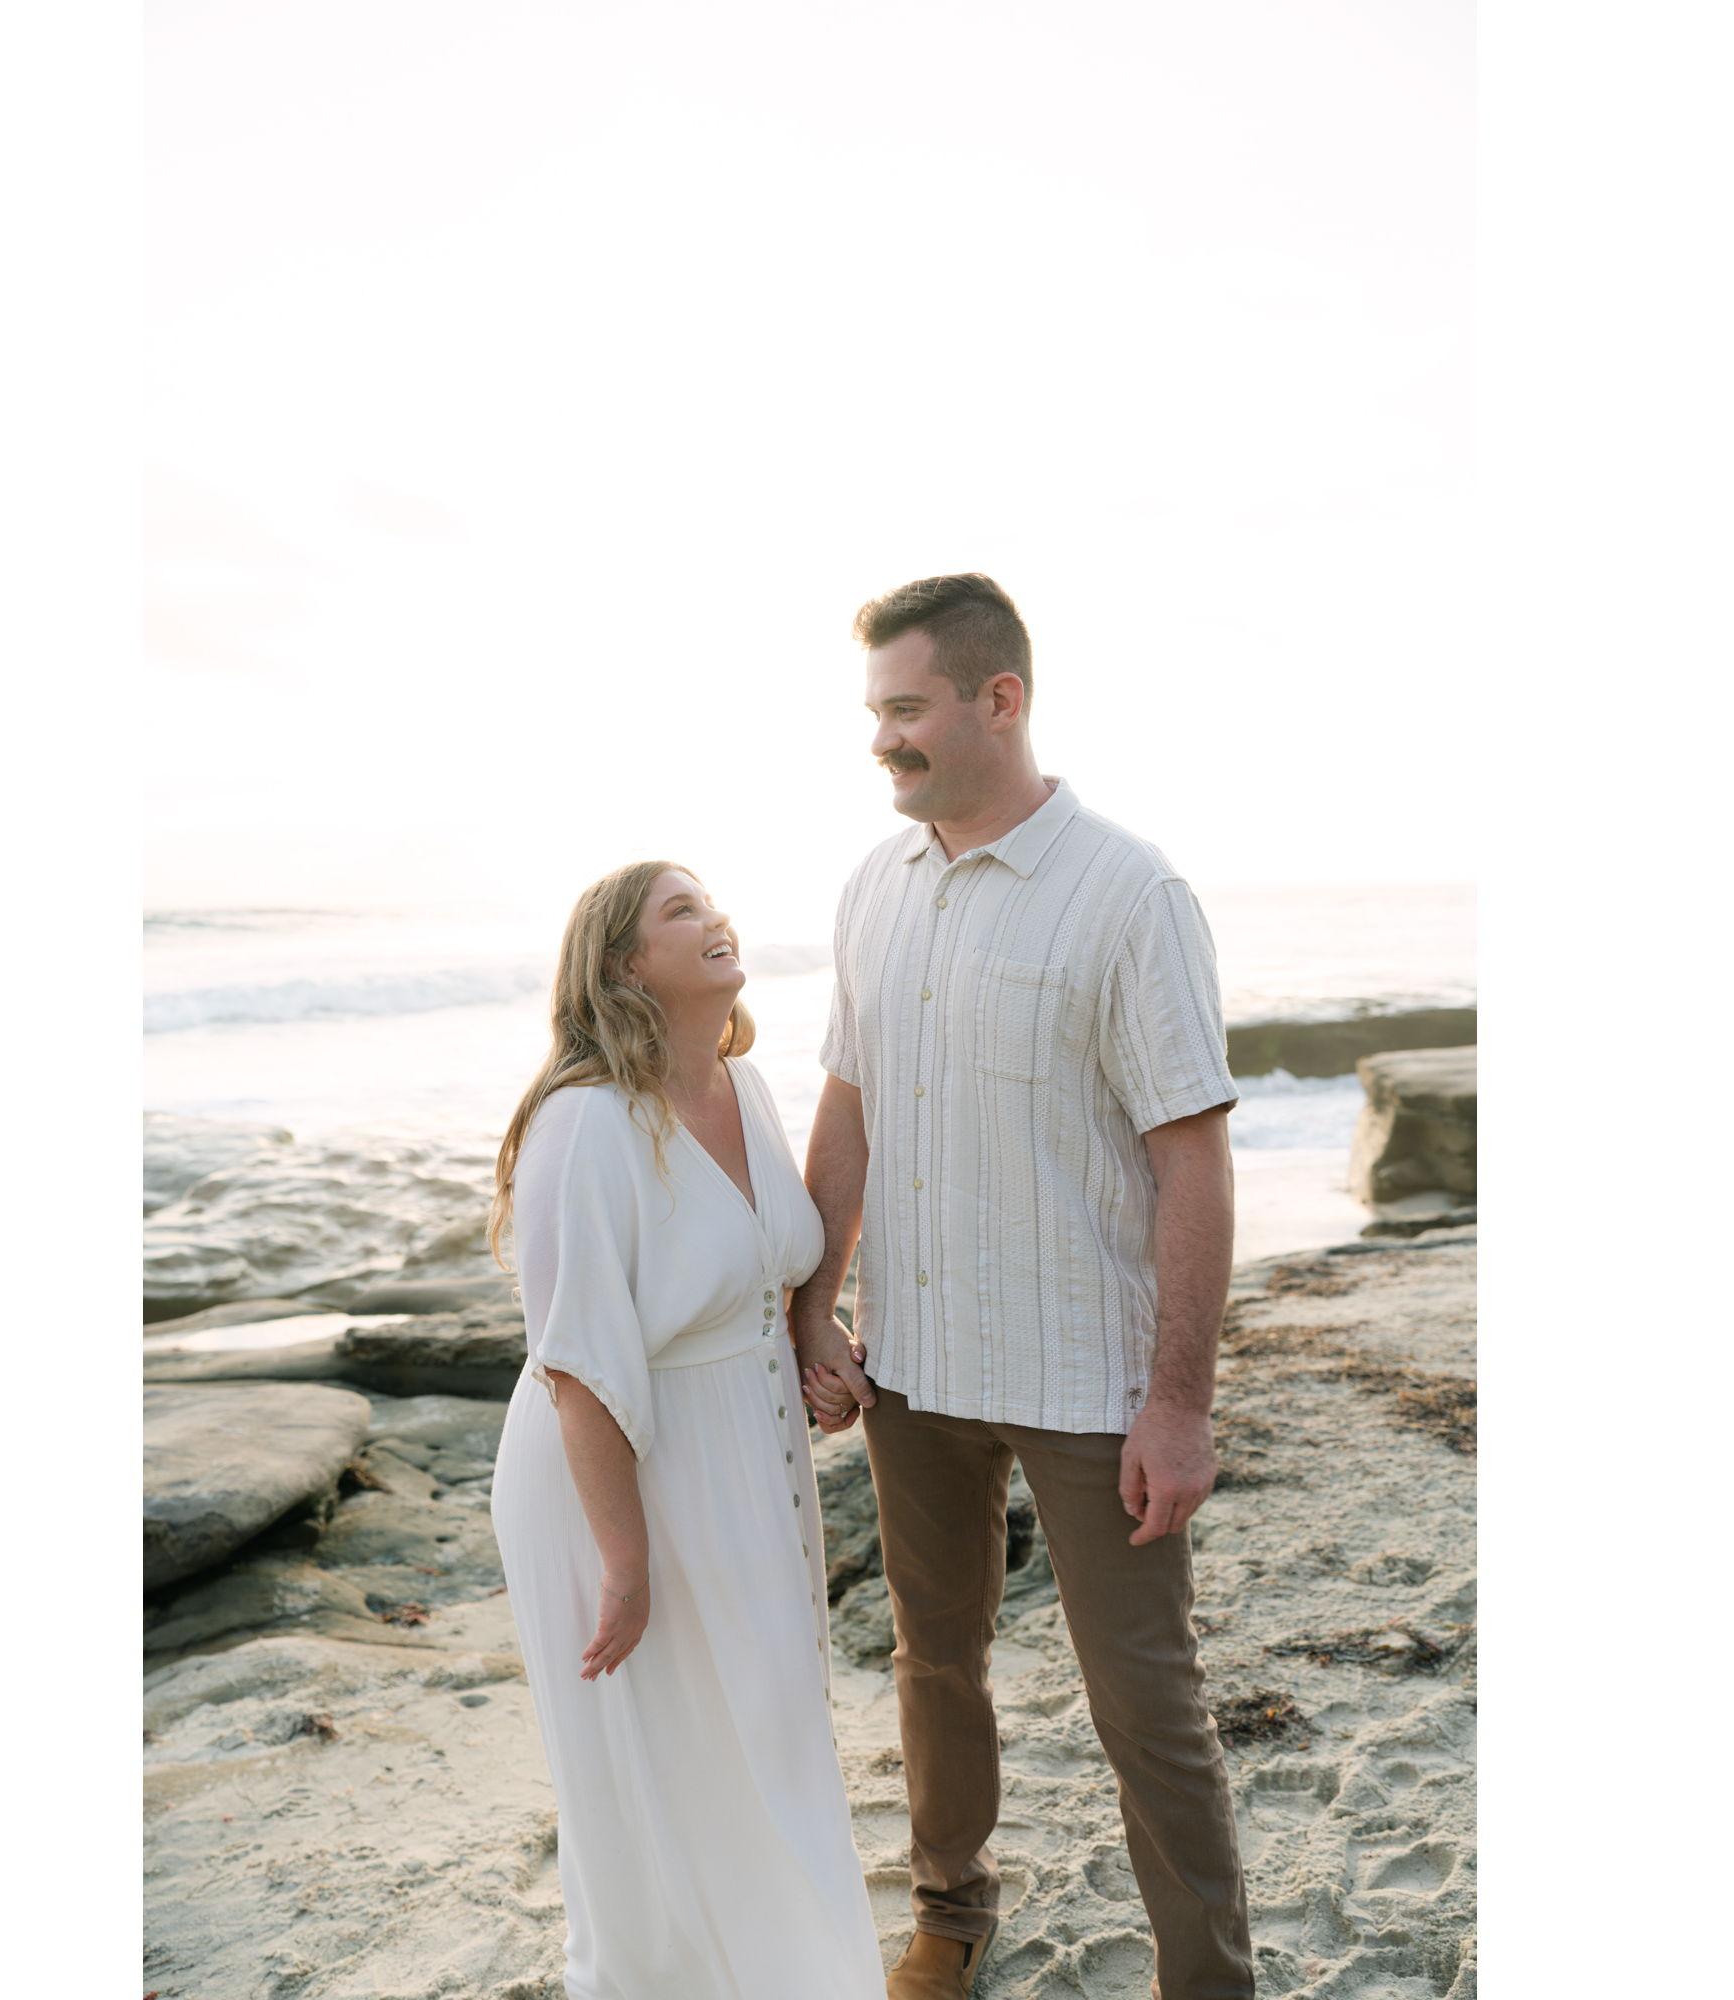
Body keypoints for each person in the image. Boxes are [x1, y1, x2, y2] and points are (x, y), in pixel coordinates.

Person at [793, 574, 1257, 2000]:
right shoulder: (877, 885)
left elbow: (1193, 1161)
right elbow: (849, 1111)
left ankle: (1209, 1981)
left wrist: (1178, 1405)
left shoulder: (1130, 893)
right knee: (934, 1664)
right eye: (874, 712)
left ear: (1002, 700)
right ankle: (951, 1912)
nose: (883, 740)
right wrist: (813, 1308)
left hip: (1086, 1383)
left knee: (1148, 1708)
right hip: (915, 1369)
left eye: (908, 708)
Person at [489, 860, 884, 2000]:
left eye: (710, 902)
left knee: (766, 1721)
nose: (713, 918)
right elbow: (576, 1363)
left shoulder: (739, 1086)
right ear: (623, 964)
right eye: (680, 911)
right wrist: (623, 1559)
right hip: (616, 1470)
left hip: (742, 1458)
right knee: (667, 1753)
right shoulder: (585, 1124)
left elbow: (764, 1264)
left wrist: (817, 1333)